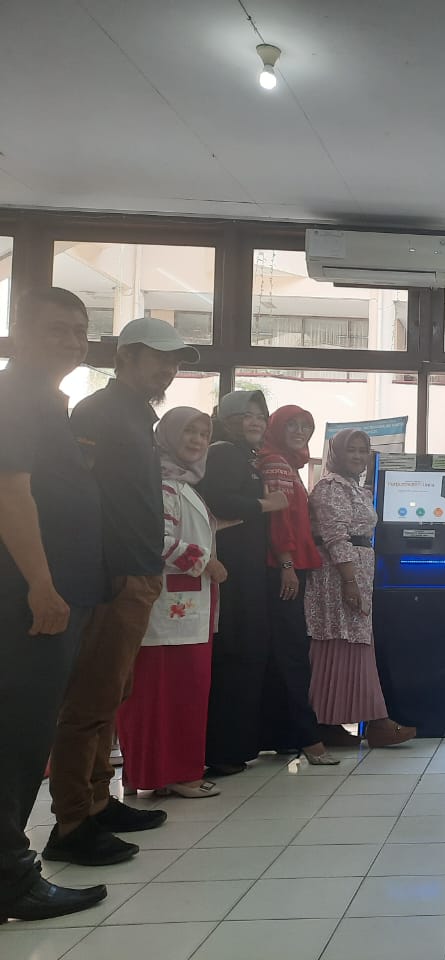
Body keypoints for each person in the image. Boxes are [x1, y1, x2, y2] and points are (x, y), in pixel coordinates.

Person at [46, 317, 199, 867]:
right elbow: (76, 495)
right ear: (125, 356)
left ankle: (97, 802)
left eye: (175, 361)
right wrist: (105, 569)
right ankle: (71, 823)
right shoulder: (99, 412)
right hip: (111, 574)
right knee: (90, 698)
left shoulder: (136, 415)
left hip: (137, 571)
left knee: (111, 694)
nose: (169, 369)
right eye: (159, 357)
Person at [0, 288, 109, 921]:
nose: (71, 342)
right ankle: (10, 878)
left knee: (25, 735)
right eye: (55, 330)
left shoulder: (42, 398)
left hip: (54, 594)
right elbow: (9, 491)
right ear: (18, 333)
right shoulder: (15, 395)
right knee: (17, 738)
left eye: (79, 331)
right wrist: (41, 584)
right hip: (28, 599)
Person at [116, 408, 227, 800]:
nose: (197, 440)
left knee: (176, 692)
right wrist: (205, 561)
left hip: (184, 611)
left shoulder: (183, 484)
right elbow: (153, 539)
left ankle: (157, 772)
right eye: (188, 432)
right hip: (168, 610)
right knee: (165, 693)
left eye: (203, 433)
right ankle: (172, 773)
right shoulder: (162, 484)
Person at [196, 391, 288, 776]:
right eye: (246, 415)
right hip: (230, 572)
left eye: (260, 416)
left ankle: (236, 746)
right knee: (235, 654)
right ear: (226, 419)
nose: (255, 422)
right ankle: (224, 750)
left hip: (245, 569)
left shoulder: (242, 457)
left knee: (248, 653)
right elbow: (220, 501)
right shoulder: (223, 453)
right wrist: (267, 504)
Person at [307, 429, 415, 748]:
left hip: (355, 575)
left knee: (353, 646)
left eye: (362, 450)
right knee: (338, 644)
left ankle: (331, 722)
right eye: (350, 450)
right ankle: (372, 723)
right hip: (337, 578)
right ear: (336, 454)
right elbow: (335, 537)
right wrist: (349, 581)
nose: (357, 456)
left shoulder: (353, 488)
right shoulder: (330, 487)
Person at [256, 406, 334, 765]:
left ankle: (283, 735)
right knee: (292, 653)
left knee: (281, 653)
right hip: (283, 568)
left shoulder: (287, 464)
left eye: (306, 426)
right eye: (292, 424)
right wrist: (287, 564)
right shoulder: (276, 463)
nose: (300, 431)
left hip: (289, 566)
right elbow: (280, 520)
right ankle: (308, 738)